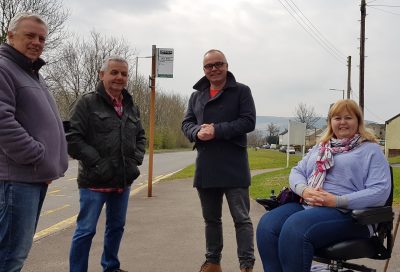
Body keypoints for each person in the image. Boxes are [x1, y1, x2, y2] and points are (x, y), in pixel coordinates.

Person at [256, 99, 391, 272]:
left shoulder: (370, 150)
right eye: (337, 118)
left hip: (351, 214)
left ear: (358, 121)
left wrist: (336, 200)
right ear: (330, 122)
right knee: (268, 226)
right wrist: (304, 190)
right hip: (309, 205)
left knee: (295, 228)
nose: (342, 122)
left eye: (348, 117)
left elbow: (380, 191)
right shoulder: (320, 148)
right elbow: (297, 171)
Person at [0, 12, 68, 272]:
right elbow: (2, 122)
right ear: (10, 36)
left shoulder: (30, 73)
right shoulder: (4, 68)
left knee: (14, 253)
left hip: (30, 178)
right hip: (16, 179)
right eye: (29, 35)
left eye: (41, 38)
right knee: (9, 256)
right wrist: (37, 156)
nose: (37, 42)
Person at [67, 56, 146, 272]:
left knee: (116, 227)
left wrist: (135, 159)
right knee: (85, 230)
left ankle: (111, 267)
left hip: (122, 180)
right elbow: (72, 138)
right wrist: (97, 163)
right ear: (102, 75)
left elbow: (140, 136)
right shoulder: (86, 102)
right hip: (94, 181)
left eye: (124, 74)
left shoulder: (131, 105)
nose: (119, 77)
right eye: (114, 72)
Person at [182, 49, 256, 272]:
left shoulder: (242, 91)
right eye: (209, 66)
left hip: (234, 165)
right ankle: (213, 262)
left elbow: (248, 122)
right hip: (207, 165)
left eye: (218, 64)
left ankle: (246, 266)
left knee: (241, 219)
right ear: (204, 70)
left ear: (226, 65)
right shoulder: (196, 96)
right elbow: (186, 124)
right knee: (211, 220)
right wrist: (196, 132)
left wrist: (216, 130)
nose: (214, 69)